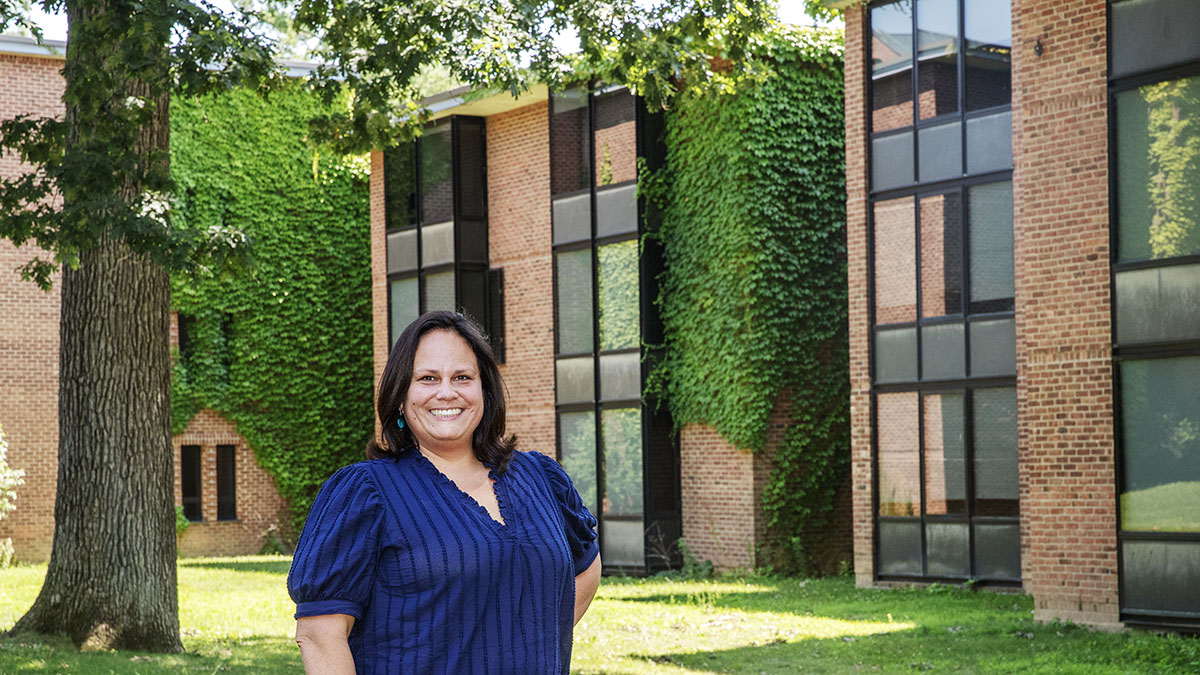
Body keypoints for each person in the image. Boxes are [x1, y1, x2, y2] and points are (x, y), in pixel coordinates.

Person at [287, 311, 602, 674]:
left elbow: (587, 568)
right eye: (428, 378)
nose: (447, 392)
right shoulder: (366, 492)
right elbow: (320, 635)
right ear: (401, 397)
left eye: (462, 377)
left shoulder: (540, 477)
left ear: (484, 391)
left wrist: (530, 639)